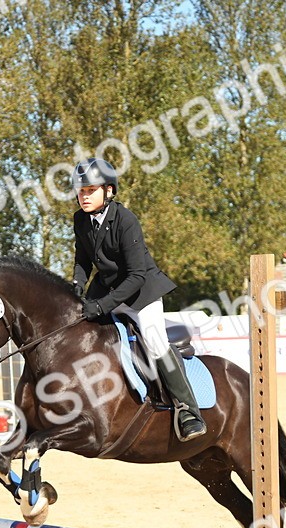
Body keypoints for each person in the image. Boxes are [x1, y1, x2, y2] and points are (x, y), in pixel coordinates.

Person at [70, 157, 206, 441]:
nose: (84, 196)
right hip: (106, 289)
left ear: (109, 191)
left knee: (155, 342)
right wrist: (77, 287)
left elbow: (136, 276)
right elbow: (82, 261)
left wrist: (103, 305)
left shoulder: (126, 220)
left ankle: (188, 410)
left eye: (90, 190)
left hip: (140, 293)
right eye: (81, 191)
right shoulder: (80, 220)